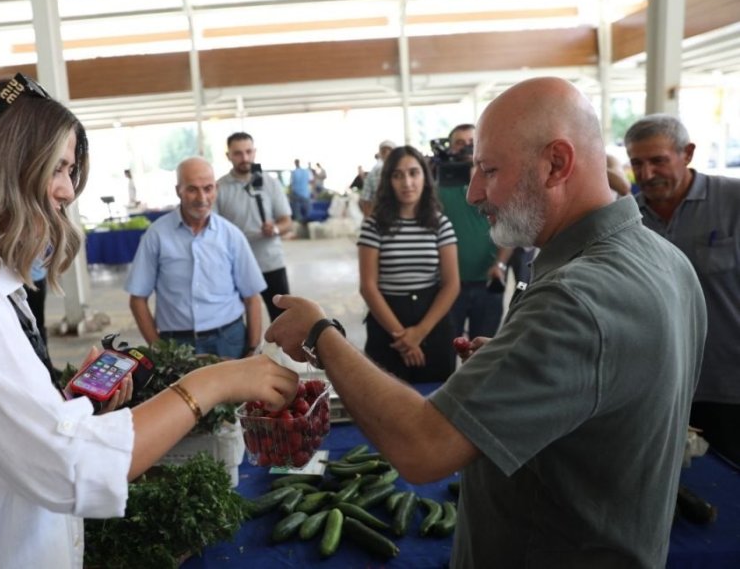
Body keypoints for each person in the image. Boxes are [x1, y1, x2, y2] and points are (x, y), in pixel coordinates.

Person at [0, 75, 298, 567]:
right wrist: (210, 383)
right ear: (4, 164)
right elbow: (70, 468)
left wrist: (67, 407)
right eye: (57, 168)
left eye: (70, 170)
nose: (65, 190)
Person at [266, 77, 706, 568]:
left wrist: (321, 333)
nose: (474, 193)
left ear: (556, 163)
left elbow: (421, 448)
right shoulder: (667, 260)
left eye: (489, 170)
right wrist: (515, 364)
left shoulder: (575, 298)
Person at [625, 113, 740, 466]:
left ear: (687, 153)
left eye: (658, 161)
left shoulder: (733, 200)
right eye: (637, 164)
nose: (646, 175)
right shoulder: (628, 217)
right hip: (658, 386)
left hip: (728, 383)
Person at [126, 156, 265, 359]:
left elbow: (252, 297)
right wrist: (158, 349)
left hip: (229, 341)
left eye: (208, 188)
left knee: (235, 393)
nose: (202, 198)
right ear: (178, 191)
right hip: (176, 345)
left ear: (216, 189)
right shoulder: (156, 235)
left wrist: (253, 350)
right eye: (192, 189)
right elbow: (137, 299)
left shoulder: (231, 235)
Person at [358, 145, 459, 382]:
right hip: (387, 325)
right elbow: (368, 287)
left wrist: (419, 333)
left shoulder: (440, 224)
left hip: (433, 323)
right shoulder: (374, 226)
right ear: (388, 181)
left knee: (437, 400)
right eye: (398, 175)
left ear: (425, 177)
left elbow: (451, 284)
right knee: (385, 401)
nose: (407, 182)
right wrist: (403, 338)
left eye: (414, 173)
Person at [436, 124, 511, 339]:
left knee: (483, 352)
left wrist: (500, 264)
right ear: (450, 149)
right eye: (460, 143)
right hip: (448, 287)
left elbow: (510, 228)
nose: (467, 148)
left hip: (488, 283)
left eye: (472, 142)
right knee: (449, 348)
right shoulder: (437, 187)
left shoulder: (499, 184)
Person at [215, 132, 293, 322]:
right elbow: (213, 228)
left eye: (249, 152)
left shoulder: (270, 183)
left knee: (283, 318)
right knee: (236, 320)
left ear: (255, 152)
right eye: (238, 153)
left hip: (270, 262)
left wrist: (274, 229)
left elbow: (286, 220)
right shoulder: (219, 187)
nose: (245, 158)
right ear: (228, 156)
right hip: (235, 266)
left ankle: (285, 353)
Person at [359, 139, 396, 217]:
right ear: (380, 154)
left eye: (390, 150)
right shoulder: (373, 173)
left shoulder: (402, 171)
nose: (387, 153)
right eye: (384, 151)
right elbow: (366, 199)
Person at [289, 158, 312, 224]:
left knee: (296, 212)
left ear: (295, 163)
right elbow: (311, 181)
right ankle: (307, 224)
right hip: (305, 193)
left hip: (296, 193)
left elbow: (291, 184)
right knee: (307, 211)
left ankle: (299, 225)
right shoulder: (306, 171)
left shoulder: (294, 172)